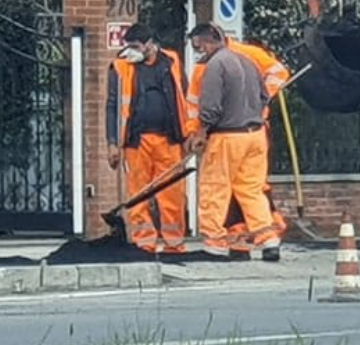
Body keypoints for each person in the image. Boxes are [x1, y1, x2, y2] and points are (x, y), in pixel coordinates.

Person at [186, 26, 289, 260]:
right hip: (255, 135)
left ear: (206, 43)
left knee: (214, 187)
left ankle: (215, 242)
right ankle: (268, 239)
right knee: (251, 189)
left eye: (197, 47)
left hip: (227, 137)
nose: (198, 52)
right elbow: (264, 95)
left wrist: (200, 132)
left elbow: (210, 106)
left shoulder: (215, 66)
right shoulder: (248, 62)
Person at [106, 23, 191, 255]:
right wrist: (112, 142)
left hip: (169, 139)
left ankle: (174, 241)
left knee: (172, 192)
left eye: (135, 46)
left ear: (150, 44)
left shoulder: (171, 62)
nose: (130, 51)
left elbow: (185, 98)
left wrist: (190, 132)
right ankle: (145, 240)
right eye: (128, 46)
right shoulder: (121, 67)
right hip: (137, 140)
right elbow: (112, 106)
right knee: (138, 193)